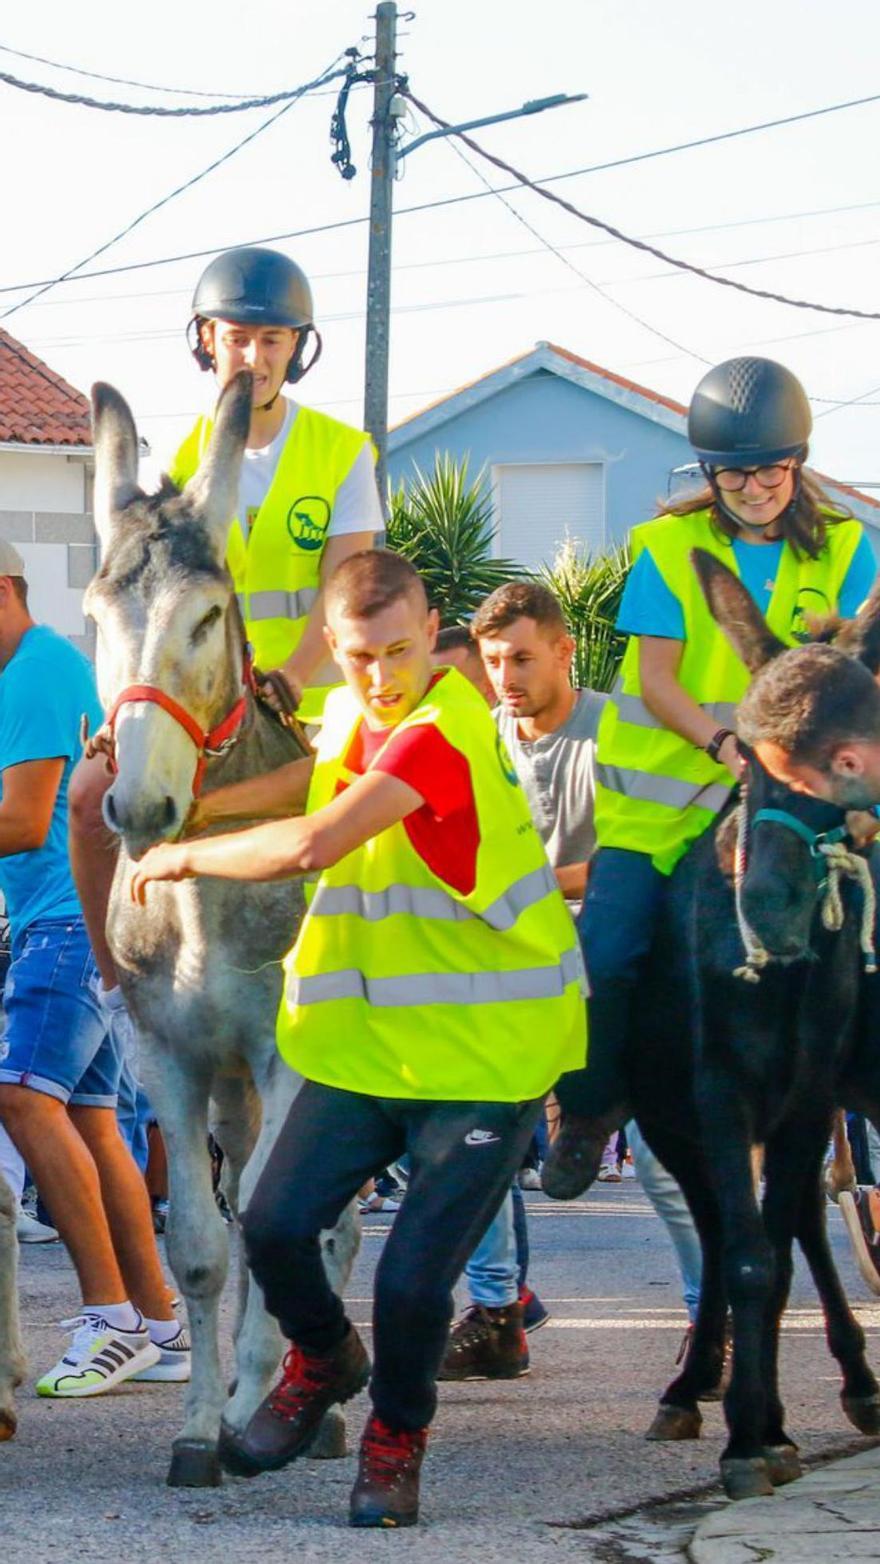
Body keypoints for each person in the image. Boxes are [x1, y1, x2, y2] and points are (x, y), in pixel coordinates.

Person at [130, 550, 586, 1529]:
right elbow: (311, 773)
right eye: (361, 655)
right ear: (332, 650)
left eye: (400, 650)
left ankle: (393, 1443)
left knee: (414, 1280)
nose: (383, 675)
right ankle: (326, 1357)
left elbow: (313, 839)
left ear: (433, 637)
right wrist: (205, 797)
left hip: (484, 1058)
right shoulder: (350, 714)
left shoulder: (439, 733)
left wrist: (181, 850)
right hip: (371, 1048)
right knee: (276, 1225)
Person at [542, 355, 878, 1200]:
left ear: (795, 464)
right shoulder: (666, 547)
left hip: (805, 805)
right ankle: (586, 1112)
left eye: (769, 468)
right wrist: (729, 745)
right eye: (735, 471)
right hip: (665, 811)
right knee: (609, 953)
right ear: (711, 473)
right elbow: (657, 682)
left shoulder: (848, 551)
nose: (754, 485)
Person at [67, 243, 380, 1008]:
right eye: (237, 337)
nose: (253, 355)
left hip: (309, 695)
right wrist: (124, 710)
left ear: (297, 350)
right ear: (207, 341)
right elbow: (145, 605)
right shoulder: (179, 459)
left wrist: (297, 674)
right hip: (193, 699)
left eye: (271, 340)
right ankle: (120, 986)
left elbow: (345, 589)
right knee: (86, 797)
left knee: (369, 815)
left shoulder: (342, 454)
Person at [0, 546, 187, 1394]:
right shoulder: (35, 668)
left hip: (67, 919)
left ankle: (110, 1319)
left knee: (21, 1095)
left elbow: (24, 819)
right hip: (81, 916)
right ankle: (157, 1322)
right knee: (90, 1117)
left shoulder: (34, 673)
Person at [437, 585, 602, 1381]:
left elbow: (628, 861)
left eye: (522, 658)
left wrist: (534, 884)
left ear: (565, 651)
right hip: (503, 967)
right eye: (495, 660)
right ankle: (499, 1310)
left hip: (602, 954)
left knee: (676, 1166)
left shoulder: (614, 732)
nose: (506, 675)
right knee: (470, 1133)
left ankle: (719, 1319)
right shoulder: (480, 737)